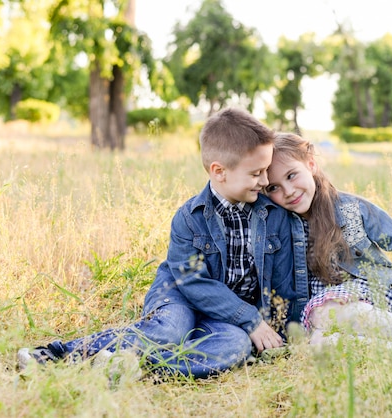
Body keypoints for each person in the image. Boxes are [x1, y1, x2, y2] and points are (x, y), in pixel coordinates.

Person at [18, 108, 302, 379]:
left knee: (235, 345)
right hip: (181, 297)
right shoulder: (189, 218)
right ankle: (58, 355)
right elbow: (192, 282)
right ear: (219, 171)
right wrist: (250, 317)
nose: (265, 181)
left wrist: (280, 329)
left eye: (266, 171)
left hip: (227, 316)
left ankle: (138, 366)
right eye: (256, 173)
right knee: (170, 331)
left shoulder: (273, 215)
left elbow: (281, 280)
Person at [264, 132, 392, 350]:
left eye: (291, 175)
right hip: (326, 318)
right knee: (320, 344)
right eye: (273, 188)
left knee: (325, 312)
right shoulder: (278, 226)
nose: (288, 191)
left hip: (375, 293)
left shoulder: (350, 209)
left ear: (311, 164)